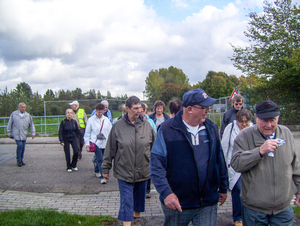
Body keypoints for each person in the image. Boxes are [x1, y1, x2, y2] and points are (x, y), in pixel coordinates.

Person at [150, 88, 228, 226]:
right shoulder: (167, 130)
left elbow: (219, 159)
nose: (208, 110)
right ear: (190, 109)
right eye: (204, 107)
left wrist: (223, 186)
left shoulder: (212, 128)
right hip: (178, 202)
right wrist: (166, 193)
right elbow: (156, 165)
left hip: (207, 201)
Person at [231, 100, 300, 226]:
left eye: (272, 120)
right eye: (264, 120)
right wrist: (259, 151)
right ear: (256, 117)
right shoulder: (244, 136)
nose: (268, 125)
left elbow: (295, 165)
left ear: (278, 117)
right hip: (254, 210)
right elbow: (236, 164)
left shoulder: (286, 133)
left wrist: (299, 189)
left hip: (283, 208)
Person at [102, 96, 156, 226]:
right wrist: (105, 168)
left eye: (140, 108)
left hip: (143, 170)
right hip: (124, 171)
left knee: (138, 199)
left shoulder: (147, 125)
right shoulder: (118, 126)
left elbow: (156, 147)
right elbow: (110, 148)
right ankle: (127, 224)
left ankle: (136, 220)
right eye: (135, 108)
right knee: (126, 200)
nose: (139, 111)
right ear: (127, 109)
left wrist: (160, 166)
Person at [221, 109, 254, 226]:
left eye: (247, 121)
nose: (244, 124)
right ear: (237, 120)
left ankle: (249, 216)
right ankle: (238, 217)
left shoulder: (254, 129)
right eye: (241, 122)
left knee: (250, 192)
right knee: (238, 190)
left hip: (251, 165)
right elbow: (224, 147)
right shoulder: (230, 128)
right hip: (235, 165)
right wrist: (223, 165)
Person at [84, 103, 112, 184]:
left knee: (102, 158)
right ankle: (102, 177)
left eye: (102, 112)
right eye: (99, 112)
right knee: (100, 159)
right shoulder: (91, 120)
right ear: (96, 111)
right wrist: (87, 144)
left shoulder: (106, 120)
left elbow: (110, 131)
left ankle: (96, 170)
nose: (100, 114)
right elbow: (87, 133)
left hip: (105, 142)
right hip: (96, 142)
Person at [7, 102, 35, 167]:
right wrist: (9, 132)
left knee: (23, 147)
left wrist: (32, 133)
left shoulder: (27, 115)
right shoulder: (14, 114)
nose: (23, 108)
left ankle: (21, 159)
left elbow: (31, 125)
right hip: (16, 133)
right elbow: (10, 124)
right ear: (19, 107)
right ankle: (18, 160)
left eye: (24, 107)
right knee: (19, 146)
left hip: (24, 134)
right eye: (22, 107)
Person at [140, 103, 157, 199]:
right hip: (139, 150)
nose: (140, 113)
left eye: (142, 111)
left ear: (145, 111)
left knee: (147, 170)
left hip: (149, 149)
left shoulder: (150, 121)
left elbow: (155, 134)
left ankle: (147, 190)